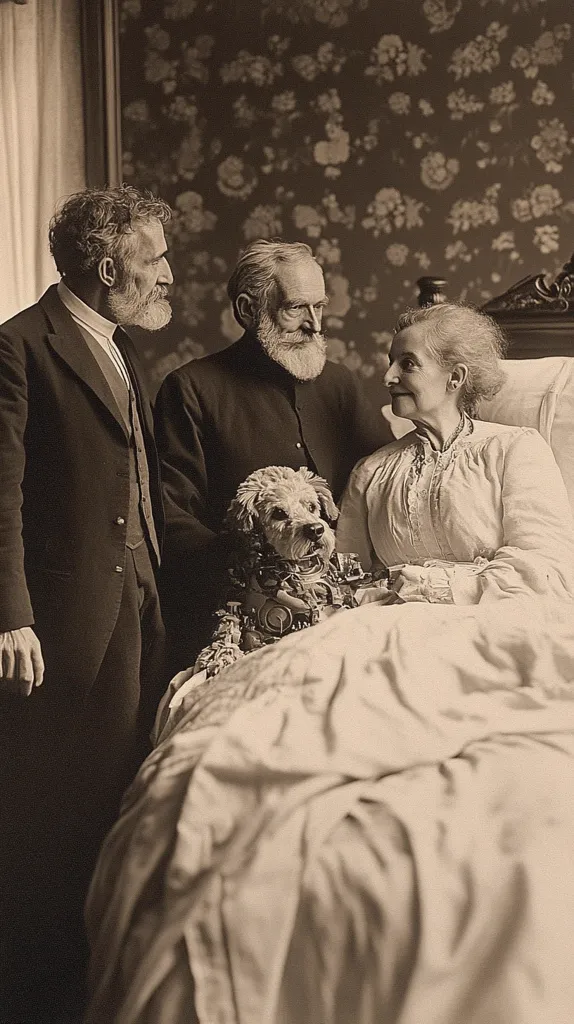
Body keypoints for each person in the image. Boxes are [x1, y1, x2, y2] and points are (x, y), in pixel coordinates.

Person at [0, 185, 173, 1022]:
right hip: (64, 618)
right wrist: (11, 614)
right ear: (109, 269)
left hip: (137, 599)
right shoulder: (19, 346)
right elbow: (0, 494)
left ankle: (101, 970)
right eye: (156, 261)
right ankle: (41, 987)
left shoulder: (116, 342)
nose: (169, 275)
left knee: (120, 786)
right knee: (58, 798)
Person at [154, 238, 391, 670]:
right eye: (297, 308)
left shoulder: (339, 385)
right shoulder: (190, 389)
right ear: (248, 310)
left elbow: (385, 477)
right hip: (237, 616)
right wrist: (250, 584)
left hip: (339, 608)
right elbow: (171, 516)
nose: (316, 325)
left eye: (320, 307)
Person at [337, 302, 574, 604]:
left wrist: (428, 585)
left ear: (455, 378)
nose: (388, 377)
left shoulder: (513, 449)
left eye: (407, 364)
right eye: (391, 362)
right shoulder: (371, 472)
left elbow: (546, 569)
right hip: (387, 627)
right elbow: (345, 578)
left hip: (493, 624)